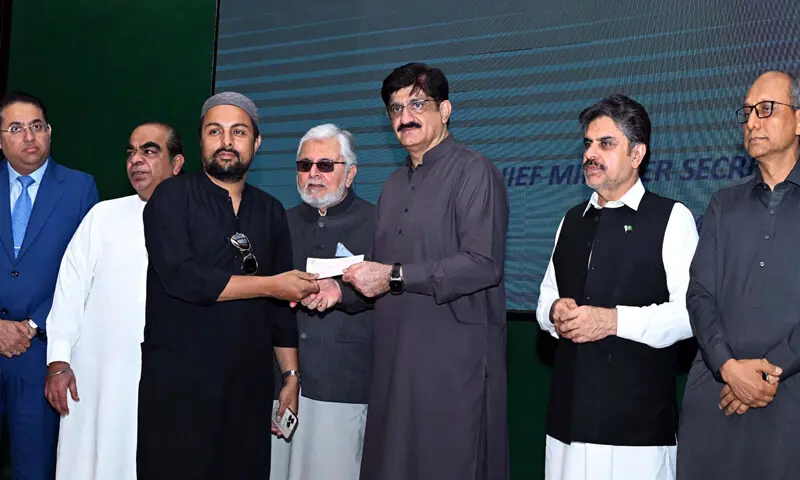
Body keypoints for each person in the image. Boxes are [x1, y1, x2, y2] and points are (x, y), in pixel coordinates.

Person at [309, 62, 510, 480]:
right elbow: (376, 274)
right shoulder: (393, 186)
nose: (405, 117)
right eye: (395, 109)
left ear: (446, 110)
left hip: (451, 368)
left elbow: (483, 265)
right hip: (395, 367)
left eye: (417, 103)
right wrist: (338, 293)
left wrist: (394, 276)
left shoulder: (475, 172)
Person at [135, 92, 319, 479]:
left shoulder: (270, 210)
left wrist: (290, 378)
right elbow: (182, 278)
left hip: (246, 390)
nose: (226, 141)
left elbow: (282, 310)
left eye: (238, 132)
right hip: (179, 388)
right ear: (201, 139)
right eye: (214, 131)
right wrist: (271, 285)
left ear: (256, 142)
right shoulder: (171, 195)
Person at [536, 94, 698, 480]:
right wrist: (555, 314)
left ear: (637, 153)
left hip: (636, 429)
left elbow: (691, 314)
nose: (591, 154)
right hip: (567, 423)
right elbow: (544, 300)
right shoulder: (571, 220)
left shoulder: (672, 218)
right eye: (588, 144)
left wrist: (612, 322)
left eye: (606, 144)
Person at [44, 122, 185, 480]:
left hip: (166, 381)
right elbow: (69, 291)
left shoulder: (197, 221)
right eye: (131, 152)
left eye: (149, 151)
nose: (136, 160)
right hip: (95, 381)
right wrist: (59, 362)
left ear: (177, 163)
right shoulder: (102, 216)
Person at [677, 70, 800, 480]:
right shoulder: (722, 204)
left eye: (766, 109)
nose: (751, 122)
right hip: (715, 398)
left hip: (788, 405)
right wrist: (729, 368)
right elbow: (699, 294)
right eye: (747, 112)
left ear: (799, 120)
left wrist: (768, 371)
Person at [0, 91, 98, 479]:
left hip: (38, 354)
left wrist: (34, 325)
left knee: (34, 469)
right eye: (17, 128)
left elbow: (86, 272)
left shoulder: (79, 189)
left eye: (37, 126)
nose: (29, 137)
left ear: (50, 132)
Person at [270, 123, 375, 480]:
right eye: (305, 165)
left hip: (342, 385)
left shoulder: (379, 223)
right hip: (279, 382)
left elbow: (394, 294)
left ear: (350, 174)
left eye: (325, 165)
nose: (313, 174)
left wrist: (342, 292)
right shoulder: (279, 223)